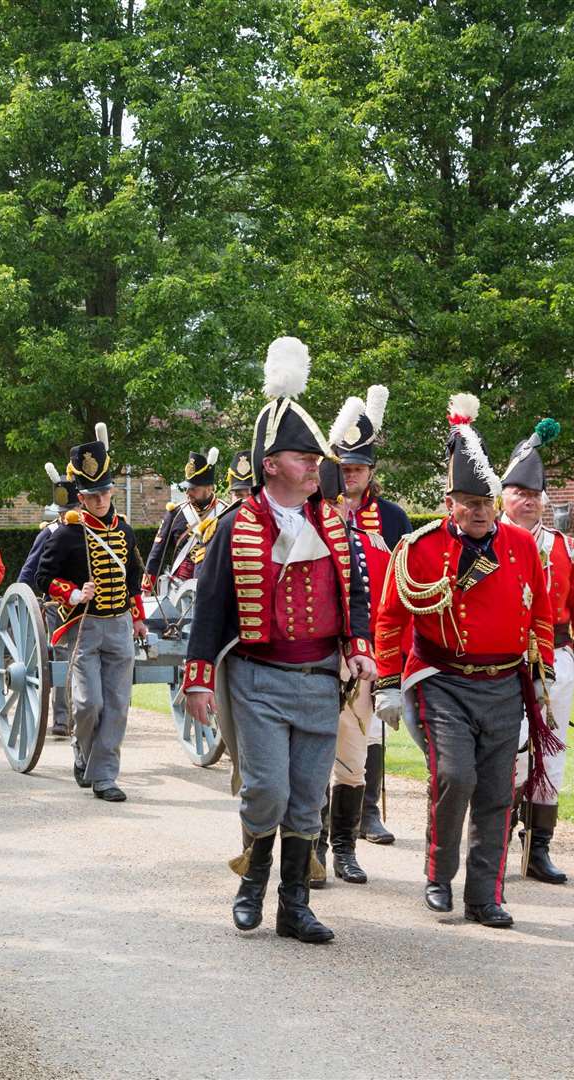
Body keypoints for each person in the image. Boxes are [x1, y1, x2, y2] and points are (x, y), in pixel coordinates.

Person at [184, 338, 374, 944]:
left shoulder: (332, 524)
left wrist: (360, 643)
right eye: (303, 457)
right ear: (272, 464)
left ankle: (294, 906)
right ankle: (251, 885)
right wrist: (197, 679)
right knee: (265, 788)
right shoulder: (236, 526)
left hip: (320, 676)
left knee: (305, 800)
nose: (316, 467)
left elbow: (356, 594)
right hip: (258, 677)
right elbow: (211, 607)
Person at [373, 393, 556, 931]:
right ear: (449, 502)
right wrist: (387, 682)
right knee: (455, 775)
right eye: (468, 502)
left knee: (499, 790)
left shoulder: (522, 546)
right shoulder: (419, 548)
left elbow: (540, 613)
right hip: (442, 680)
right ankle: (438, 874)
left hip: (503, 681)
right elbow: (389, 618)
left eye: (487, 502)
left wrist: (541, 672)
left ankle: (484, 895)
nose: (479, 512)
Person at [498, 417, 574, 885]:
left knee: (549, 755)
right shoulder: (487, 542)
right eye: (519, 492)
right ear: (503, 496)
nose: (529, 500)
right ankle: (496, 837)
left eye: (535, 494)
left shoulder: (564, 547)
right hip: (501, 660)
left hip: (555, 659)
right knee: (507, 751)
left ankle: (539, 847)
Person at [36, 422, 147, 804]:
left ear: (111, 490)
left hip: (119, 627)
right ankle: (82, 751)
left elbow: (134, 577)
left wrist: (139, 617)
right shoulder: (65, 533)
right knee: (88, 704)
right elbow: (42, 577)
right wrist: (73, 593)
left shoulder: (127, 531)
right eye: (91, 495)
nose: (99, 500)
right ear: (80, 497)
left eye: (103, 493)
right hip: (83, 627)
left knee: (117, 706)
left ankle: (104, 776)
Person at [325, 384, 409, 847]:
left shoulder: (394, 517)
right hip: (333, 635)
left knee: (370, 725)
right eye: (345, 467)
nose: (351, 475)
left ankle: (367, 811)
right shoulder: (320, 511)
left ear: (371, 471)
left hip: (379, 635)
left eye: (358, 468)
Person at [18, 463, 81, 737]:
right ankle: (63, 720)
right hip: (60, 605)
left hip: (95, 603)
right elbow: (30, 571)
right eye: (67, 511)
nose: (72, 515)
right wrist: (22, 598)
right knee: (64, 658)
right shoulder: (50, 533)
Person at [143, 448, 223, 612]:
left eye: (193, 488)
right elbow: (156, 553)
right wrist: (146, 589)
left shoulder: (225, 512)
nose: (187, 492)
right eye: (187, 487)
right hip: (179, 590)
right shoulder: (176, 513)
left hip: (216, 587)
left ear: (209, 487)